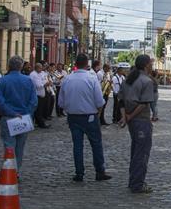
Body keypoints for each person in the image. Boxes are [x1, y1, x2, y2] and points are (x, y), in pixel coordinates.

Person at [59, 53, 111, 183]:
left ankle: (79, 173)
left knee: (77, 146)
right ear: (87, 64)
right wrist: (98, 114)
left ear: (75, 64)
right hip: (90, 116)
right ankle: (99, 171)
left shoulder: (67, 79)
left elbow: (61, 103)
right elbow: (100, 101)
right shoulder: (92, 79)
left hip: (73, 117)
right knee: (96, 144)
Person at [118, 55, 156, 194]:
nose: (152, 66)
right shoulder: (146, 81)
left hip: (131, 121)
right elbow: (144, 103)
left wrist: (124, 117)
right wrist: (129, 116)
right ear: (146, 65)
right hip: (141, 120)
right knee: (142, 154)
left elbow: (120, 100)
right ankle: (137, 184)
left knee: (135, 152)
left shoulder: (128, 80)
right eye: (151, 63)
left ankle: (133, 180)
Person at [0, 56, 38, 175]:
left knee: (9, 145)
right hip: (24, 117)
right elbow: (33, 101)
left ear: (9, 66)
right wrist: (27, 113)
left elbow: (0, 101)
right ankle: (16, 171)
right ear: (21, 66)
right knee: (20, 146)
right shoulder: (28, 80)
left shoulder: (3, 81)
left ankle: (9, 169)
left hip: (8, 117)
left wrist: (12, 112)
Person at [29, 63, 50, 129]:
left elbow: (45, 79)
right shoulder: (33, 74)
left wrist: (46, 82)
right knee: (37, 111)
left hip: (41, 94)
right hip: (36, 95)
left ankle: (38, 122)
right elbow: (38, 85)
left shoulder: (41, 73)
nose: (41, 69)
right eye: (40, 68)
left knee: (40, 110)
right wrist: (45, 83)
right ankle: (40, 123)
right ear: (37, 68)